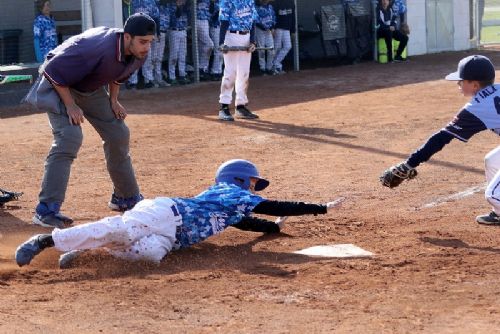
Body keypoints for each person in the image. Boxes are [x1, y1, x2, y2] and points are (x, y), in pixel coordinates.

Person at [15, 159, 343, 268]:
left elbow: (246, 222)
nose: (255, 190)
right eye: (253, 183)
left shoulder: (231, 207)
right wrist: (319, 208)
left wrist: (270, 230)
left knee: (150, 256)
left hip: (169, 237)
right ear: (240, 179)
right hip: (164, 213)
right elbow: (274, 205)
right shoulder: (229, 192)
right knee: (121, 231)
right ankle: (46, 240)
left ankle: (82, 255)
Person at [23, 13, 157, 229]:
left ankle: (125, 197)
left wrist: (113, 101)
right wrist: (70, 105)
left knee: (118, 133)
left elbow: (117, 74)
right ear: (127, 37)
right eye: (143, 42)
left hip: (89, 88)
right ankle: (46, 209)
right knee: (70, 137)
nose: (146, 48)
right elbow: (52, 71)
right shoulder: (97, 48)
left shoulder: (138, 52)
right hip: (58, 86)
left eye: (150, 42)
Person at [380, 55, 500, 225]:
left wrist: (409, 164)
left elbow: (441, 139)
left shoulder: (476, 108)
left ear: (474, 85)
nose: (458, 85)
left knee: (493, 195)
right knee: (492, 161)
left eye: (461, 81)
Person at [217, 0, 260, 121]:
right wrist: (221, 42)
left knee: (244, 74)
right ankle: (224, 107)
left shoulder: (250, 1)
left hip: (246, 37)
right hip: (231, 36)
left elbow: (253, 22)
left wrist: (253, 41)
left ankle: (240, 106)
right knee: (230, 73)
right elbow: (224, 21)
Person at [127, 0, 161, 89]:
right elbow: (127, 16)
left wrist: (157, 32)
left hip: (147, 34)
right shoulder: (133, 2)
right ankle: (132, 82)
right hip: (135, 34)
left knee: (148, 57)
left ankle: (148, 80)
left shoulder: (151, 2)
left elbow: (156, 17)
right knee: (135, 58)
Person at [167, 0, 191, 85]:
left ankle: (182, 75)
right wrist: (178, 6)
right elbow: (175, 17)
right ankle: (171, 77)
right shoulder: (171, 6)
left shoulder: (186, 7)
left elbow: (189, 16)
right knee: (174, 55)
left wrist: (184, 6)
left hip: (183, 31)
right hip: (174, 31)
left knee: (182, 55)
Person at [271, 0, 294, 75]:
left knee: (288, 46)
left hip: (287, 28)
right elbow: (273, 16)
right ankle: (274, 67)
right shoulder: (276, 2)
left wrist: (293, 30)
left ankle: (275, 64)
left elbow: (293, 17)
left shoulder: (291, 2)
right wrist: (273, 27)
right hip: (278, 28)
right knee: (277, 47)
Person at [255, 0, 276, 76]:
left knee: (271, 49)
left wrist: (272, 28)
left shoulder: (270, 7)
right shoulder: (257, 7)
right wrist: (264, 27)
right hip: (260, 30)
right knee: (261, 50)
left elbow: (273, 18)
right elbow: (256, 20)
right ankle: (262, 69)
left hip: (268, 31)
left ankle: (269, 68)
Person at [197, 0, 215, 81]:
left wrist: (212, 2)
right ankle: (201, 68)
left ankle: (202, 70)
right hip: (197, 20)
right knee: (209, 44)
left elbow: (211, 10)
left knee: (203, 46)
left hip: (206, 21)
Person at [208, 0, 223, 81]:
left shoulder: (223, 3)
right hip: (215, 28)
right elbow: (212, 17)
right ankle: (214, 71)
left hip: (222, 29)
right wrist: (219, 12)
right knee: (217, 50)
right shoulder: (212, 3)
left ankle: (219, 70)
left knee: (222, 51)